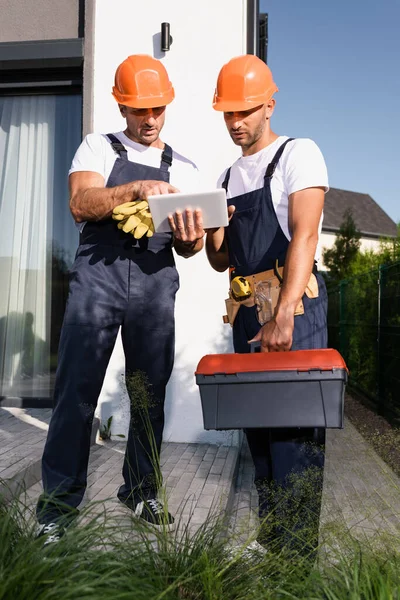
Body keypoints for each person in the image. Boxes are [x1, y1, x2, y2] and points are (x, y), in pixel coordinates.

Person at [36, 54, 204, 543]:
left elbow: (192, 248)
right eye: (138, 110)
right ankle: (56, 508)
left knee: (149, 396)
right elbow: (80, 203)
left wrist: (193, 236)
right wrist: (134, 189)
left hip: (155, 282)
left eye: (157, 109)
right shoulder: (98, 148)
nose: (149, 120)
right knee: (76, 393)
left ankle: (141, 490)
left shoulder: (186, 166)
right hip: (98, 280)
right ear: (121, 106)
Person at [206, 55, 329, 557]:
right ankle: (272, 540)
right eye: (228, 114)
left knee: (295, 434)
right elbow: (219, 260)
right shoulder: (226, 176)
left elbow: (305, 233)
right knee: (258, 432)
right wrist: (212, 229)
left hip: (291, 308)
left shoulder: (300, 154)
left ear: (269, 105)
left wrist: (284, 312)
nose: (236, 123)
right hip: (246, 313)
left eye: (246, 112)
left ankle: (298, 559)